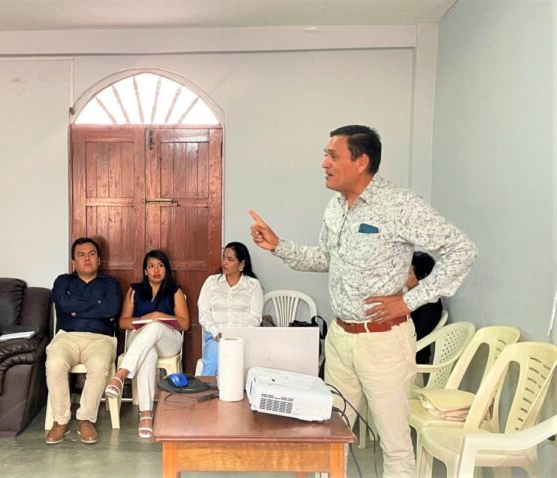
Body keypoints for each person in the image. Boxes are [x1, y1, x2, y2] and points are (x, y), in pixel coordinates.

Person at [249, 125, 476, 478]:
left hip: (383, 342)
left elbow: (462, 250)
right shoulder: (335, 207)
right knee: (328, 436)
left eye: (332, 155)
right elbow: (326, 258)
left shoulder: (400, 205)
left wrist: (410, 301)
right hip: (340, 339)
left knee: (395, 446)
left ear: (361, 162)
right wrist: (279, 246)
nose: (324, 163)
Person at [104, 250, 189, 439]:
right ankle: (146, 415)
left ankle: (121, 374)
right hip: (140, 339)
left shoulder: (175, 291)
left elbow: (184, 324)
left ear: (166, 269)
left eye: (160, 266)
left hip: (169, 341)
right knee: (148, 352)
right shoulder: (135, 290)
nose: (156, 270)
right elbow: (123, 322)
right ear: (145, 271)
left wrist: (158, 316)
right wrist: (144, 319)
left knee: (156, 327)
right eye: (151, 266)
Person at [45, 237, 122, 445]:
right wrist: (97, 304)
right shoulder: (63, 281)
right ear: (73, 261)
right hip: (67, 336)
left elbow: (111, 309)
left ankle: (86, 419)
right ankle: (61, 421)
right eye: (81, 255)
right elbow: (63, 303)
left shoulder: (110, 283)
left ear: (99, 260)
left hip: (101, 338)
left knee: (99, 364)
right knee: (54, 363)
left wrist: (76, 308)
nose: (87, 258)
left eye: (91, 254)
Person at [197, 241, 263, 375]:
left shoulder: (253, 285)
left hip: (243, 338)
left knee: (239, 364)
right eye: (223, 258)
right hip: (216, 336)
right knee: (213, 362)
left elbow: (255, 317)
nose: (224, 263)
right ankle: (206, 388)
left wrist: (239, 336)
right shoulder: (211, 282)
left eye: (230, 259)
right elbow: (204, 313)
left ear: (242, 264)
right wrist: (216, 333)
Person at [407, 252, 443, 365]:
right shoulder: (415, 297)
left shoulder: (430, 305)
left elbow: (417, 335)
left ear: (422, 277)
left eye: (408, 273)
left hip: (413, 357)